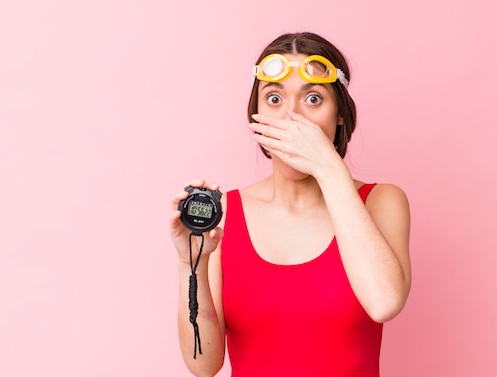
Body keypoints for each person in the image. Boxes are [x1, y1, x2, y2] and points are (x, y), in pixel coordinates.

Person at [169, 31, 411, 377]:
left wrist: (328, 167)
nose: (291, 117)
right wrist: (189, 262)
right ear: (256, 114)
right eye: (274, 99)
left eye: (313, 99)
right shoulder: (225, 214)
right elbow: (202, 364)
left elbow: (384, 303)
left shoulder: (382, 201)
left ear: (340, 115)